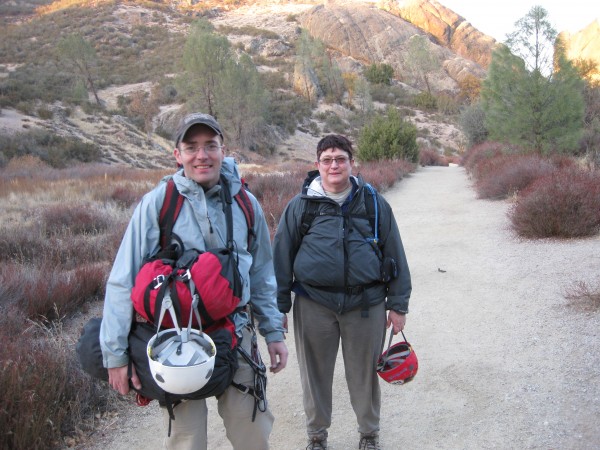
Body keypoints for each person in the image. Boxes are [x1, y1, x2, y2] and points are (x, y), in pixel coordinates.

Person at [100, 112, 288, 450]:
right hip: (174, 340)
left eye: (210, 146)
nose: (202, 155)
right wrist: (115, 356)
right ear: (177, 154)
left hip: (237, 332)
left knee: (253, 433)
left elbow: (261, 274)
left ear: (223, 150)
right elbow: (121, 280)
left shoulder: (246, 204)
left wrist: (273, 332)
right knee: (186, 439)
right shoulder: (157, 204)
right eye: (191, 147)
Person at [272, 134, 411, 450]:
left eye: (340, 159)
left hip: (366, 303)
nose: (334, 165)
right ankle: (317, 437)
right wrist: (278, 308)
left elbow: (395, 254)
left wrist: (398, 304)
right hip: (313, 303)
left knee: (364, 374)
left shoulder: (374, 203)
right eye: (327, 160)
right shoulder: (300, 207)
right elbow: (280, 259)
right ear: (317, 165)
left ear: (352, 163)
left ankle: (369, 434)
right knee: (314, 375)